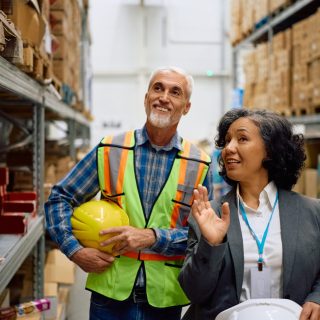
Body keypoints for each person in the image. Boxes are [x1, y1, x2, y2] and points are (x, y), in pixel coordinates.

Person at [44, 66, 214, 320]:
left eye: (174, 92)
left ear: (186, 107)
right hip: (110, 291)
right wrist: (74, 250)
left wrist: (152, 237)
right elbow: (60, 198)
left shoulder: (199, 164)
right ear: (146, 99)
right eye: (158, 88)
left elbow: (200, 236)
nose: (164, 97)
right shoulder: (110, 148)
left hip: (164, 298)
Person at [179, 108, 320, 320]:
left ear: (270, 150)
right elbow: (194, 291)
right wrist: (211, 245)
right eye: (227, 141)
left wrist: (318, 297)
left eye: (242, 139)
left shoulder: (312, 212)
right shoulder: (210, 214)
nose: (229, 148)